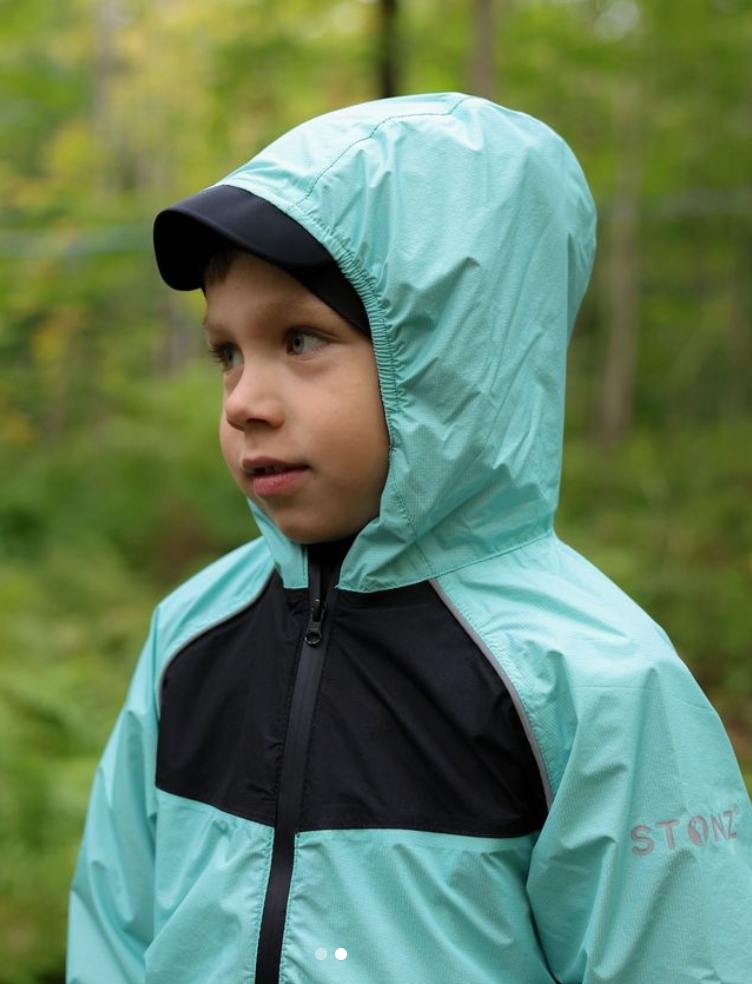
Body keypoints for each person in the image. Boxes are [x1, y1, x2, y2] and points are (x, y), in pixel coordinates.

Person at [66, 92, 752, 984]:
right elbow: (115, 931)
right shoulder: (188, 637)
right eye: (227, 352)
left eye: (301, 339)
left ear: (449, 357)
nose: (244, 400)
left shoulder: (595, 681)